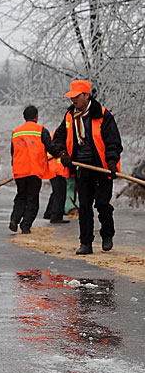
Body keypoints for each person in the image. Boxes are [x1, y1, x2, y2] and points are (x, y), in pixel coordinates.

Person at [53, 79, 123, 255]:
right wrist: (63, 153)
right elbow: (59, 137)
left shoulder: (103, 115)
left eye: (76, 97)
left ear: (86, 95)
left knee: (102, 204)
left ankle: (107, 234)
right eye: (71, 97)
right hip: (81, 168)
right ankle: (85, 243)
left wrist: (112, 161)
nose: (73, 101)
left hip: (102, 168)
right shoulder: (70, 116)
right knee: (84, 206)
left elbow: (113, 142)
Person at [9, 105, 59, 234]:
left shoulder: (16, 132)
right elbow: (51, 148)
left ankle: (14, 219)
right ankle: (25, 225)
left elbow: (12, 152)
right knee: (32, 198)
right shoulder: (41, 130)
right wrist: (61, 155)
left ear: (24, 117)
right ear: (36, 116)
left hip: (19, 171)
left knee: (21, 196)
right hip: (34, 170)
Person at [43, 129, 70, 224]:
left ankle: (49, 212)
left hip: (52, 166)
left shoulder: (58, 132)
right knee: (60, 191)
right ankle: (56, 216)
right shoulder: (64, 133)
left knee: (56, 191)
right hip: (57, 166)